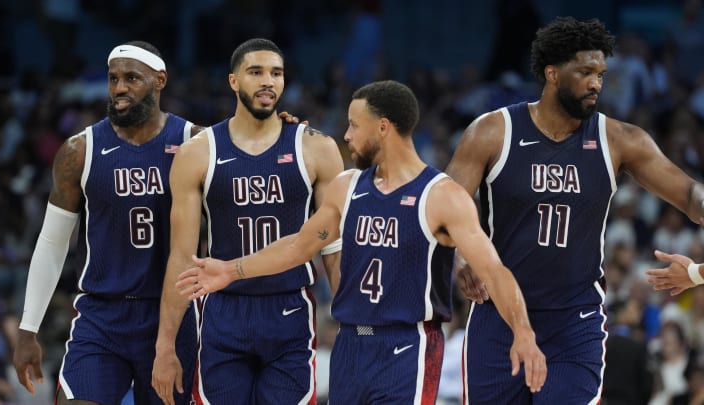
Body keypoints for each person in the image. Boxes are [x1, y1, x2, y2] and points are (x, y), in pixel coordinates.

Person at [174, 80, 547, 404]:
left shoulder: (442, 196)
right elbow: (298, 246)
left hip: (407, 347)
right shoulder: (347, 187)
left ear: (383, 128)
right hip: (351, 345)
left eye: (354, 125)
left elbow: (495, 272)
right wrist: (230, 270)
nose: (347, 134)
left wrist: (523, 332)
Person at [445, 16, 704, 404]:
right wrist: (462, 260)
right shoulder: (492, 132)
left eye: (600, 73)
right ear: (552, 73)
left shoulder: (619, 139)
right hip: (497, 315)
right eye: (585, 72)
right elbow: (447, 209)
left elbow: (688, 195)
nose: (596, 82)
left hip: (574, 323)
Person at [152, 38, 344, 404]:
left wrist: (352, 324)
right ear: (234, 81)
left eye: (276, 73)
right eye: (255, 72)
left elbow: (333, 247)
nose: (268, 81)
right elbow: (181, 257)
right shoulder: (198, 152)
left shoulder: (317, 148)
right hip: (223, 309)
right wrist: (165, 344)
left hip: (289, 308)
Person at [11, 41, 204, 404]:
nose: (119, 88)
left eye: (132, 78)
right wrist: (28, 328)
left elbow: (251, 154)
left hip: (169, 315)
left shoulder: (194, 143)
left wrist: (286, 129)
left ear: (160, 79)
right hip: (101, 315)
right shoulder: (78, 151)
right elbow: (52, 243)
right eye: (114, 78)